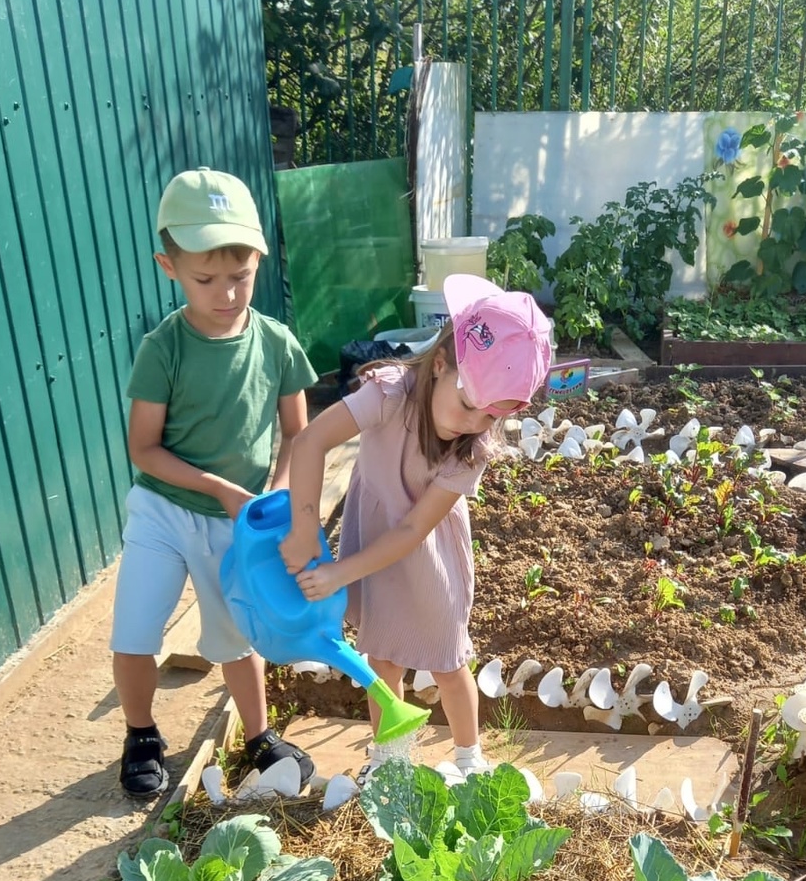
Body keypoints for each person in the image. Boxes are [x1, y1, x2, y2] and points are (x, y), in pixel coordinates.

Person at [279, 273, 552, 783]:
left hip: (428, 563)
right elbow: (310, 442)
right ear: (441, 362)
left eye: (491, 416)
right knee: (382, 662)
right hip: (373, 551)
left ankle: (470, 758)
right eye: (469, 405)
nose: (474, 423)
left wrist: (340, 573)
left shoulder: (472, 449)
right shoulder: (387, 394)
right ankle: (391, 762)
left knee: (448, 663)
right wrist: (302, 530)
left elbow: (411, 532)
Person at [111, 167, 317, 798]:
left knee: (235, 631)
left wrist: (277, 493)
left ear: (258, 258)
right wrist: (220, 489)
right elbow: (143, 450)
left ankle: (257, 738)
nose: (226, 294)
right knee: (136, 629)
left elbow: (299, 436)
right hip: (164, 511)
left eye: (241, 276)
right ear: (168, 265)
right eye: (206, 279)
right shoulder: (163, 349)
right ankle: (142, 733)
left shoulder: (277, 343)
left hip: (240, 521)